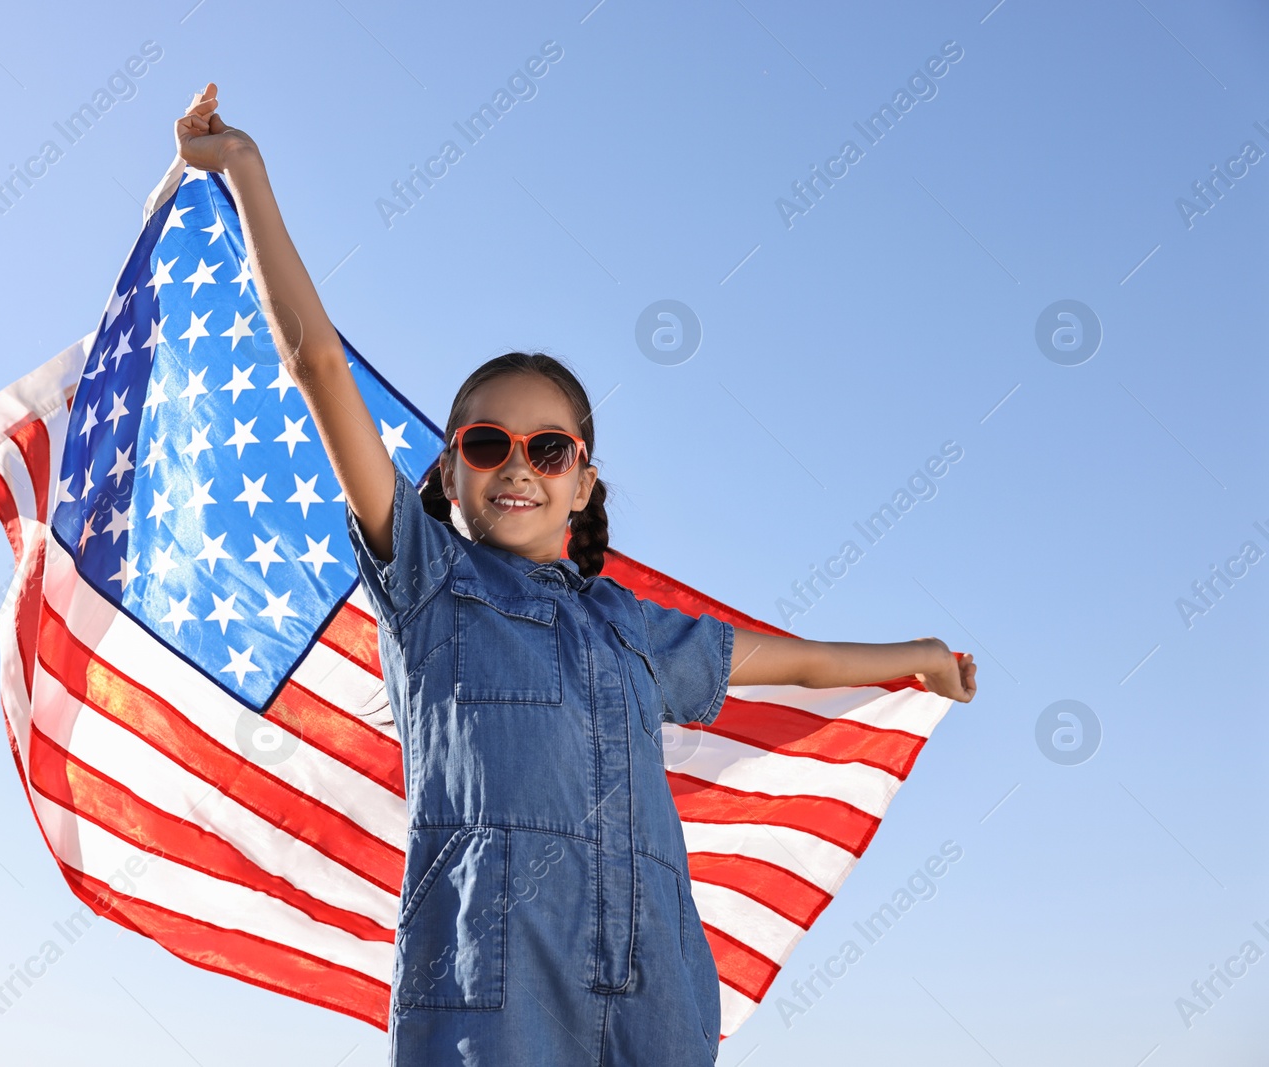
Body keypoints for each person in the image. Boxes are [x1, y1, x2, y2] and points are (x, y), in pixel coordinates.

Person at [174, 84, 978, 1066]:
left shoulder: (632, 627)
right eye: (487, 442)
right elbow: (319, 367)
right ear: (446, 472)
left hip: (655, 987)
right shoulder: (426, 583)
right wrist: (248, 170)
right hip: (492, 993)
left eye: (548, 447)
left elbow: (797, 663)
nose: (518, 464)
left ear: (582, 479)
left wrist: (917, 654)